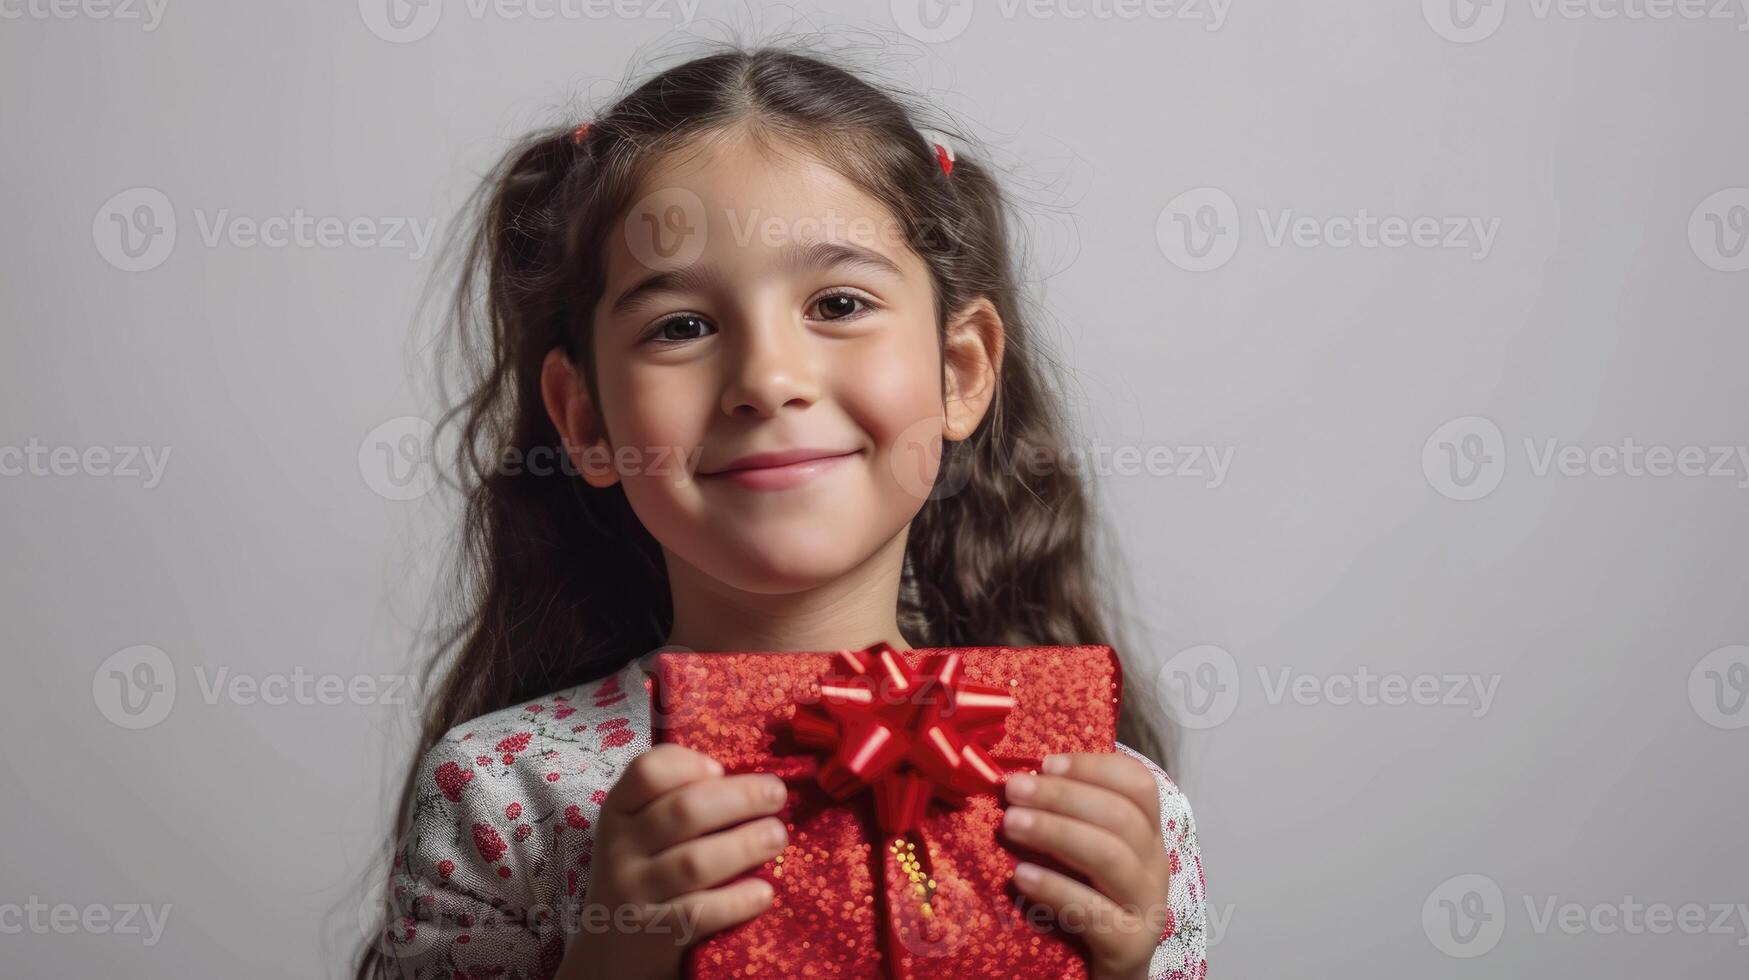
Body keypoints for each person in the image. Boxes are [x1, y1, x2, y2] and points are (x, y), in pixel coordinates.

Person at [357, 45, 1208, 980]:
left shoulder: (1104, 807)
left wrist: (1120, 966)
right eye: (681, 326)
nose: (766, 380)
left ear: (960, 373)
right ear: (587, 418)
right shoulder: (498, 788)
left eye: (839, 303)